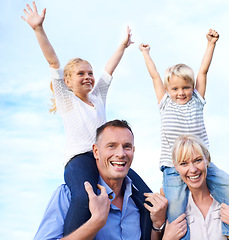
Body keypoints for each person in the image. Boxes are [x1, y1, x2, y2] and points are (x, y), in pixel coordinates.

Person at [22, 2, 134, 235]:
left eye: (90, 73)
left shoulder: (99, 97)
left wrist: (122, 46)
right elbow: (53, 61)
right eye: (81, 73)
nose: (88, 77)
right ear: (68, 81)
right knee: (83, 198)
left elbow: (109, 70)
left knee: (143, 195)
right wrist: (38, 29)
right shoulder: (67, 100)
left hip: (103, 156)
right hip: (80, 160)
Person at [139, 30, 229, 239]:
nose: (181, 92)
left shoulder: (197, 100)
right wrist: (146, 54)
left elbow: (203, 71)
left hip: (201, 162)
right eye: (175, 88)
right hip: (172, 165)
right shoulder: (165, 103)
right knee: (176, 209)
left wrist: (210, 44)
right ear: (168, 90)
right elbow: (155, 75)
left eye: (186, 87)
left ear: (193, 87)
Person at [33, 119, 168, 240]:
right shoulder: (68, 195)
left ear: (133, 151)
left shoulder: (140, 202)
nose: (120, 154)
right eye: (111, 146)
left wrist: (157, 226)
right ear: (96, 152)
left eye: (127, 146)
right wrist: (96, 222)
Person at [158, 134, 229, 240]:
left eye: (198, 160)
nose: (192, 169)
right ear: (176, 167)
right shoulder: (169, 205)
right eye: (184, 164)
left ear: (207, 159)